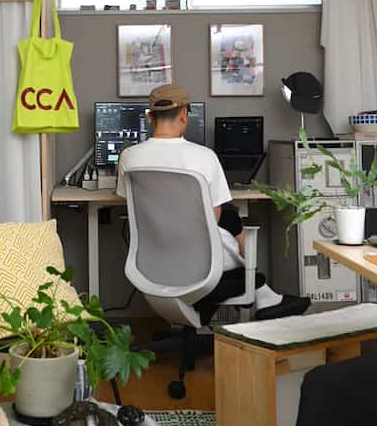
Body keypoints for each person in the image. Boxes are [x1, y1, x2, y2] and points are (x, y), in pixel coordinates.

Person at [116, 83, 310, 323]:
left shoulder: (129, 157)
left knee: (226, 221)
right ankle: (260, 290)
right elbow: (214, 216)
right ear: (185, 115)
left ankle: (263, 294)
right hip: (201, 264)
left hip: (152, 262)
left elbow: (130, 201)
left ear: (149, 118)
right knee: (228, 217)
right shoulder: (204, 157)